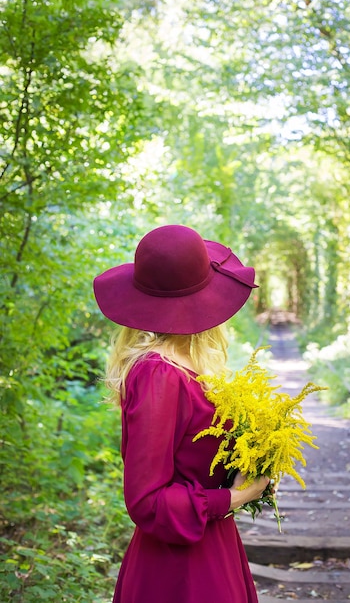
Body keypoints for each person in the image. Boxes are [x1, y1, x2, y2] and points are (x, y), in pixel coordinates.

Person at [93, 224, 270, 603]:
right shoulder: (159, 374)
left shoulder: (185, 364)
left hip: (210, 543)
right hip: (179, 570)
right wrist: (236, 496)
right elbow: (147, 501)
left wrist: (255, 461)